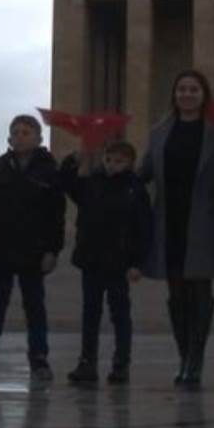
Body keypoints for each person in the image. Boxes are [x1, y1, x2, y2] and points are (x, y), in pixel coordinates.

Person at [139, 69, 214, 387]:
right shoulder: (159, 132)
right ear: (174, 95)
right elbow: (145, 172)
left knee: (200, 290)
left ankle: (196, 359)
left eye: (194, 89)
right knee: (176, 291)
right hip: (169, 218)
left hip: (204, 219)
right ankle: (184, 357)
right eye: (182, 89)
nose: (187, 94)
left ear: (204, 95)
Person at [0, 114, 66, 383]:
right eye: (16, 132)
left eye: (26, 132)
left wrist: (52, 250)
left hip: (33, 251)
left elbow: (56, 215)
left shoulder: (49, 171)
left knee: (35, 308)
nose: (20, 136)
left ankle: (39, 359)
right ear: (9, 138)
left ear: (38, 138)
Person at [59, 140, 153, 386]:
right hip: (91, 259)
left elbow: (143, 229)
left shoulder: (136, 190)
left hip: (119, 262)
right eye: (109, 160)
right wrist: (72, 162)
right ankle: (87, 362)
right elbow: (67, 185)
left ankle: (121, 364)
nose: (112, 165)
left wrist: (137, 263)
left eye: (119, 161)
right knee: (90, 313)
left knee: (120, 314)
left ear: (131, 163)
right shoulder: (92, 184)